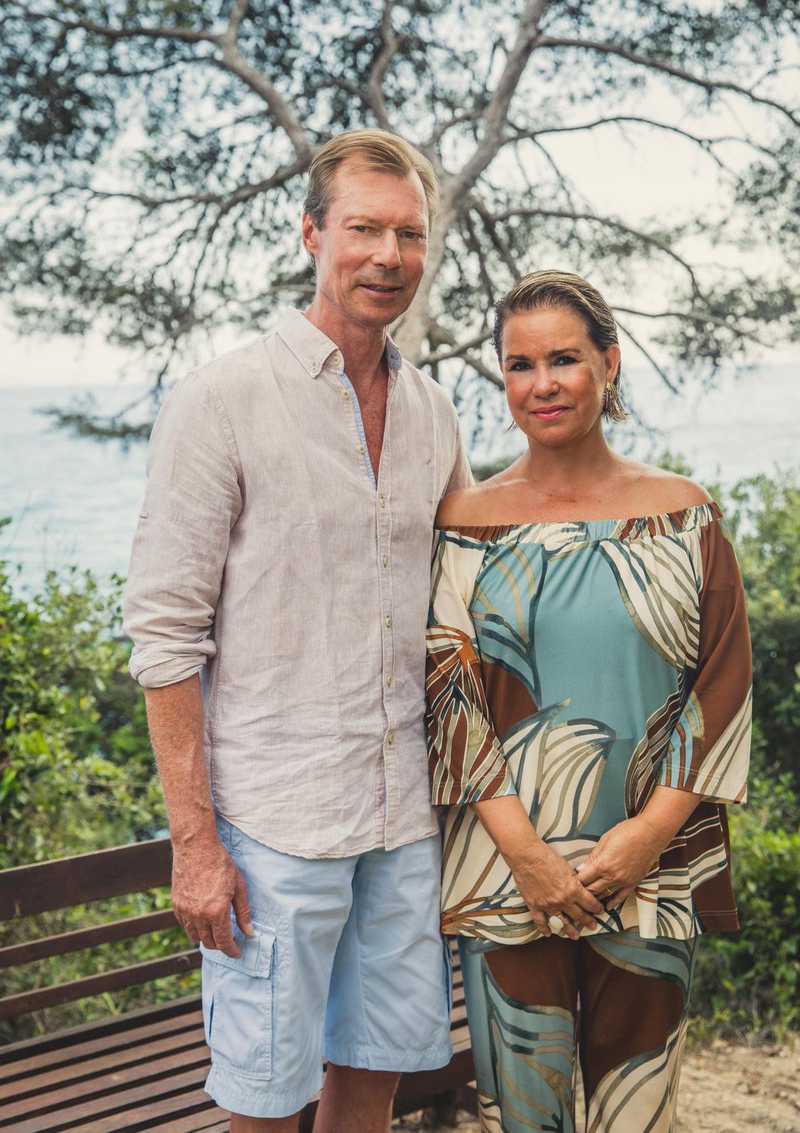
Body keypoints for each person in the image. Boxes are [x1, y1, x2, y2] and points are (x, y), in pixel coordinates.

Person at [123, 129, 472, 1133]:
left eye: (409, 234)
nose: (388, 255)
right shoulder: (222, 399)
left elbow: (466, 598)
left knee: (375, 1076)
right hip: (273, 824)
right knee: (268, 1102)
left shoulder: (433, 411)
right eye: (363, 228)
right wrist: (195, 845)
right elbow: (164, 637)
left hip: (403, 818)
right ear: (313, 234)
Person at [425, 270, 751, 1133]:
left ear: (609, 363)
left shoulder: (683, 515)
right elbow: (449, 699)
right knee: (523, 1115)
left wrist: (648, 836)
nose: (543, 384)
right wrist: (527, 853)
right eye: (520, 364)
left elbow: (722, 684)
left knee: (637, 1112)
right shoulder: (464, 521)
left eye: (564, 359)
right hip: (504, 870)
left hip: (651, 861)